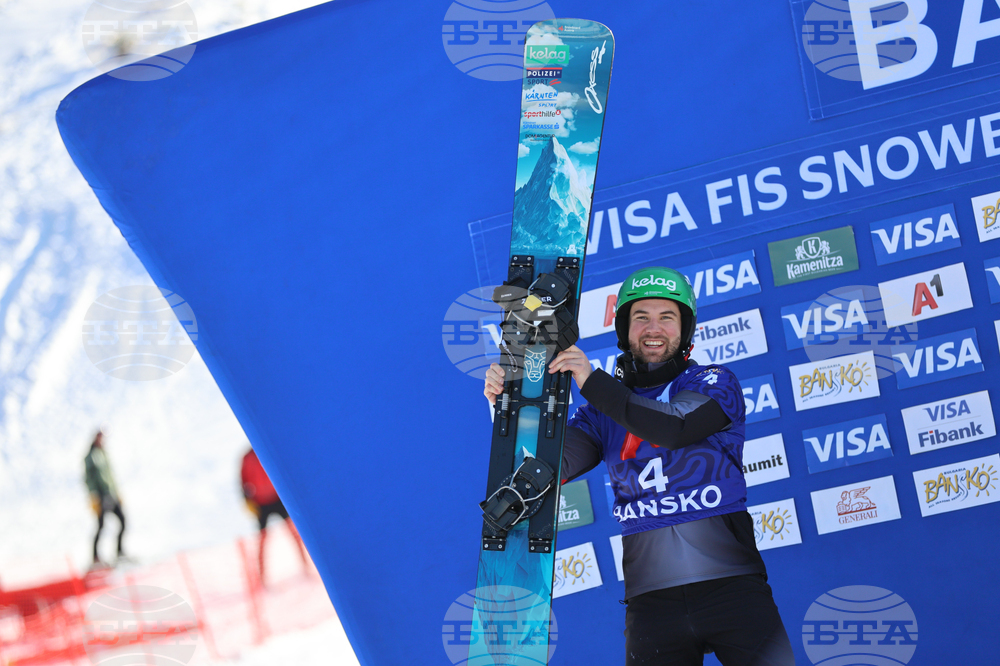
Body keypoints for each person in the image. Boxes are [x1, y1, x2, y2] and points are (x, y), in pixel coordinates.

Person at [484, 267, 794, 666]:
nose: (654, 328)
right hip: (651, 603)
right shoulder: (600, 413)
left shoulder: (715, 382)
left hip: (733, 589)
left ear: (686, 329)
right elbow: (544, 468)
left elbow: (676, 426)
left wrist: (591, 380)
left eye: (668, 317)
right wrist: (507, 405)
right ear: (624, 329)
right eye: (641, 317)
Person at [240, 447, 310, 586]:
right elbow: (243, 482)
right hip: (260, 503)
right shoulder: (247, 458)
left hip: (278, 499)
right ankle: (261, 577)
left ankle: (306, 565)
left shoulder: (267, 451)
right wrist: (248, 501)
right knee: (262, 540)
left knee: (295, 533)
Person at [84, 429, 127, 567]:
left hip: (111, 493)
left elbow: (110, 475)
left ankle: (119, 552)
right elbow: (89, 478)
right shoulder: (91, 456)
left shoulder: (104, 454)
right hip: (101, 495)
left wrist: (116, 492)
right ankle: (95, 558)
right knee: (101, 525)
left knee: (123, 521)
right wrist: (94, 495)